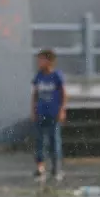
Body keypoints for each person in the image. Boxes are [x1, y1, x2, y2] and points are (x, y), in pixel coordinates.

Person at [31, 49, 67, 182]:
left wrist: (62, 110)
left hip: (53, 113)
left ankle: (56, 168)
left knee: (54, 141)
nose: (39, 62)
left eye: (41, 59)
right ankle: (40, 167)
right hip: (41, 113)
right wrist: (33, 110)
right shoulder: (39, 76)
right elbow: (35, 94)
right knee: (39, 141)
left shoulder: (57, 76)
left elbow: (63, 94)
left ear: (49, 61)